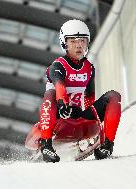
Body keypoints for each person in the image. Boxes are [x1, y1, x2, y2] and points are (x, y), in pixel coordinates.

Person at [39, 19, 121, 162]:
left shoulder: (89, 68)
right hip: (58, 116)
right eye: (73, 41)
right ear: (64, 43)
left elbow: (89, 99)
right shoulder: (57, 66)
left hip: (78, 116)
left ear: (87, 43)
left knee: (114, 96)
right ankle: (46, 145)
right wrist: (62, 103)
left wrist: (94, 126)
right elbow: (59, 86)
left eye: (82, 41)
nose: (78, 45)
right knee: (50, 94)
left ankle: (107, 145)